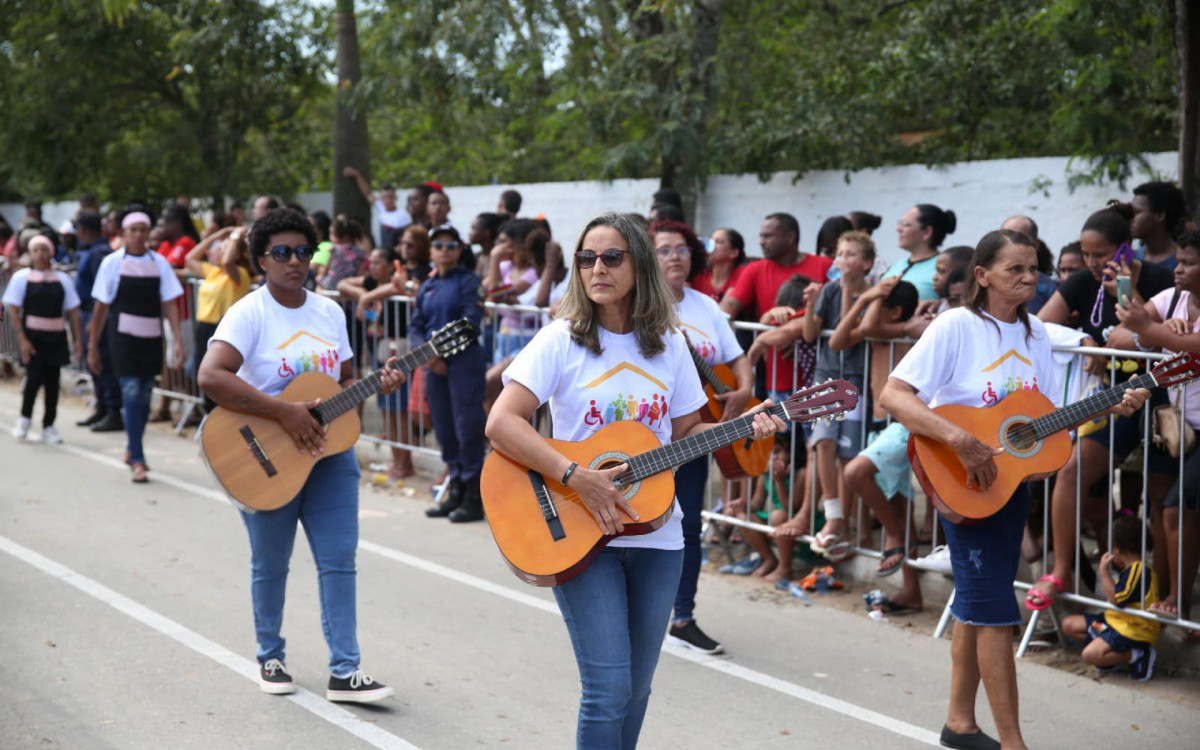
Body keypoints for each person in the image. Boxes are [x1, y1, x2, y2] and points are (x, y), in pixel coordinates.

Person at [486, 212, 784, 749]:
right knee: (607, 689)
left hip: (658, 535)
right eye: (586, 258)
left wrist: (748, 430)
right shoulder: (560, 340)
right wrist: (577, 475)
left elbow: (689, 432)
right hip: (581, 529)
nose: (596, 268)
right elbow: (501, 423)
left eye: (611, 257)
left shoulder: (668, 343)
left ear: (639, 264)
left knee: (637, 689)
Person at [880, 229, 1148, 750]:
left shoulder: (1036, 337)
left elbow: (1039, 422)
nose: (1029, 278)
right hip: (963, 482)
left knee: (977, 609)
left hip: (1006, 488)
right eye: (1014, 270)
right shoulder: (956, 325)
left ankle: (959, 724)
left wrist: (1108, 403)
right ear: (981, 276)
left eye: (1033, 268)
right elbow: (894, 394)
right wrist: (960, 440)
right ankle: (1012, 743)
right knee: (996, 613)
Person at [197, 207, 400, 703]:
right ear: (261, 259)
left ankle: (345, 671)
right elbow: (211, 376)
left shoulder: (329, 311)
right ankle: (270, 655)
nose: (294, 261)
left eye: (303, 252)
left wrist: (379, 383)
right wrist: (284, 411)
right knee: (271, 562)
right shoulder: (249, 312)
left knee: (339, 561)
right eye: (281, 253)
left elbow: (346, 382)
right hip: (266, 455)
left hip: (331, 455)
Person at [1032, 202, 1175, 610]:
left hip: (1162, 399)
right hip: (1114, 400)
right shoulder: (1079, 282)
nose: (1092, 263)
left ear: (1125, 249)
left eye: (1101, 255)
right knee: (1073, 469)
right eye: (1087, 254)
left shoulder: (1164, 279)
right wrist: (1084, 341)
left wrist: (1127, 293)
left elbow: (1150, 334)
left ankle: (1166, 596)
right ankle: (1060, 571)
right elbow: (1039, 327)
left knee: (1161, 497)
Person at [650, 218, 752, 656]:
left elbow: (737, 358)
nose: (676, 256)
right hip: (648, 437)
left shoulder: (706, 306)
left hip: (696, 433)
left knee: (688, 524)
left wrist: (744, 390)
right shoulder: (639, 308)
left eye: (682, 249)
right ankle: (636, 611)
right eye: (665, 249)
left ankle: (682, 616)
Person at [1114, 230, 1200, 624]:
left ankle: (1179, 600)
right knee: (1166, 509)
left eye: (1187, 263)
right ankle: (1169, 595)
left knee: (1174, 510)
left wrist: (1151, 331)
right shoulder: (1172, 300)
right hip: (1177, 428)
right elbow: (1118, 333)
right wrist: (1152, 334)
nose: (1177, 270)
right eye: (1177, 261)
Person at [87, 210, 185, 484]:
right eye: (134, 230)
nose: (139, 235)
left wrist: (177, 340)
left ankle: (133, 445)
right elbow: (100, 308)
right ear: (124, 234)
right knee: (131, 394)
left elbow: (170, 303)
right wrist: (93, 345)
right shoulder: (112, 263)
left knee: (144, 395)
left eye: (144, 230)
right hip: (123, 340)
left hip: (151, 337)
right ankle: (139, 459)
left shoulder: (160, 263)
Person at [795, 231, 874, 558]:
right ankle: (833, 514)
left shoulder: (871, 295)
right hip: (826, 378)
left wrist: (846, 293)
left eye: (851, 254)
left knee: (847, 455)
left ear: (866, 263)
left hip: (856, 379)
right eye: (839, 253)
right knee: (822, 442)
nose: (843, 259)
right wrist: (812, 304)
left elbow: (843, 336)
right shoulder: (828, 290)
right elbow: (811, 335)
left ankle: (847, 527)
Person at [414, 225, 489, 523]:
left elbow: (471, 322)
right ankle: (455, 488)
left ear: (459, 250)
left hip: (464, 364)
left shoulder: (469, 281)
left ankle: (473, 497)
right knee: (444, 428)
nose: (444, 250)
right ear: (431, 251)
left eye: (450, 245)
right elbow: (415, 326)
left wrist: (437, 353)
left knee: (467, 427)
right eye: (438, 245)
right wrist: (429, 357)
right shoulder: (426, 285)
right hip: (435, 368)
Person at [338, 247, 414, 480]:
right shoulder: (372, 281)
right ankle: (396, 461)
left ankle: (405, 463)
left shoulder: (398, 279)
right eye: (370, 261)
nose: (371, 266)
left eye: (377, 262)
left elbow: (398, 287)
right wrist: (364, 294)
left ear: (391, 265)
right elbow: (342, 285)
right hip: (379, 350)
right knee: (386, 409)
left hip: (398, 349)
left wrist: (368, 296)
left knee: (398, 410)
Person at [4, 235, 83, 443]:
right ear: (30, 253)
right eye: (36, 250)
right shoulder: (22, 277)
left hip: (55, 337)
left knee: (52, 382)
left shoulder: (62, 279)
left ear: (51, 252)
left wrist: (78, 341)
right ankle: (25, 417)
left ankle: (49, 424)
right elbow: (14, 310)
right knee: (33, 379)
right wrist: (21, 338)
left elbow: (73, 312)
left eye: (44, 249)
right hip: (32, 337)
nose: (40, 254)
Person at [1061, 516, 1160, 680]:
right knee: (1068, 625)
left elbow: (1116, 599)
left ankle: (1138, 654)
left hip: (1133, 629)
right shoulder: (1131, 569)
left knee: (1090, 655)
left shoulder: (1139, 570)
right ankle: (1110, 653)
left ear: (1117, 549)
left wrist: (1104, 572)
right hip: (1115, 622)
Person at [185, 226, 253, 414]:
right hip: (204, 328)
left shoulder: (239, 274)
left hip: (223, 329)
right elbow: (190, 258)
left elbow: (228, 261)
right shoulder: (213, 273)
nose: (218, 249)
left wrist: (235, 236)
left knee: (220, 378)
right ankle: (210, 417)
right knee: (203, 376)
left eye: (224, 247)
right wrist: (216, 235)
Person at [72, 212, 121, 430]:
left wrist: (95, 319)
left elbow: (103, 291)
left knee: (102, 362)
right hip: (88, 312)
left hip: (96, 314)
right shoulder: (92, 250)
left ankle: (112, 411)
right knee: (94, 365)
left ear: (83, 229)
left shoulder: (99, 252)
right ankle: (101, 407)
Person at [883, 204, 956, 301]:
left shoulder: (943, 267)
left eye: (906, 224)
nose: (898, 229)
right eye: (900, 224)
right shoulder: (898, 264)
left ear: (927, 232)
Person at [342, 166, 413, 254]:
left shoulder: (403, 215)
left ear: (395, 197)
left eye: (390, 196)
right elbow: (368, 193)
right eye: (385, 197)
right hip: (382, 250)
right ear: (381, 199)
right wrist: (357, 175)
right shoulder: (381, 209)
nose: (388, 200)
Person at [1001, 216, 1058, 313]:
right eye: (1005, 238)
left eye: (1018, 239)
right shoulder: (988, 281)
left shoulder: (1050, 289)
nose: (1010, 244)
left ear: (1036, 244)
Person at [1131, 181, 1187, 270]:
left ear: (1160, 216)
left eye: (1137, 212)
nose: (1130, 218)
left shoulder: (1183, 262)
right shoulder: (1131, 258)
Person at [690, 228, 748, 303]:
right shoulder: (699, 276)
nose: (711, 245)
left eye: (718, 242)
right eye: (711, 240)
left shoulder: (743, 274)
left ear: (734, 253)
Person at [318, 218, 367, 291]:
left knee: (317, 285)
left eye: (332, 234)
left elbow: (326, 269)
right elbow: (360, 272)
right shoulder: (360, 252)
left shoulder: (333, 249)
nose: (330, 238)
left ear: (344, 237)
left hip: (330, 285)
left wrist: (320, 275)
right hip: (349, 287)